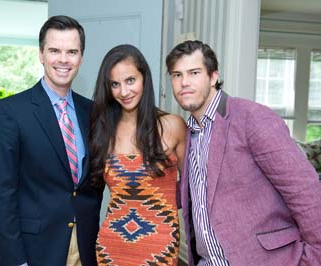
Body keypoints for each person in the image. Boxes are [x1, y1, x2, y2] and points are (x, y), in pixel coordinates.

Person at [166, 40, 321, 265]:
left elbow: (305, 192)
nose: (184, 82)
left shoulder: (251, 117)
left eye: (194, 72)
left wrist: (313, 259)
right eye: (176, 75)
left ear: (213, 76)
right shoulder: (189, 132)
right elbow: (194, 189)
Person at [0, 15, 102, 266]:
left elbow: (92, 185)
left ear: (81, 57)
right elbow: (0, 195)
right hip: (33, 251)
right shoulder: (10, 112)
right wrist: (14, 260)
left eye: (72, 51)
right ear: (41, 54)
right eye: (54, 50)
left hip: (85, 247)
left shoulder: (92, 112)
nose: (63, 59)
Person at [90, 44, 186, 265]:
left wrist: (164, 205)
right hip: (111, 248)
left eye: (130, 80)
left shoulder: (171, 126)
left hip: (159, 248)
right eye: (115, 84)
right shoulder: (103, 130)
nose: (124, 92)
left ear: (144, 78)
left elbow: (193, 188)